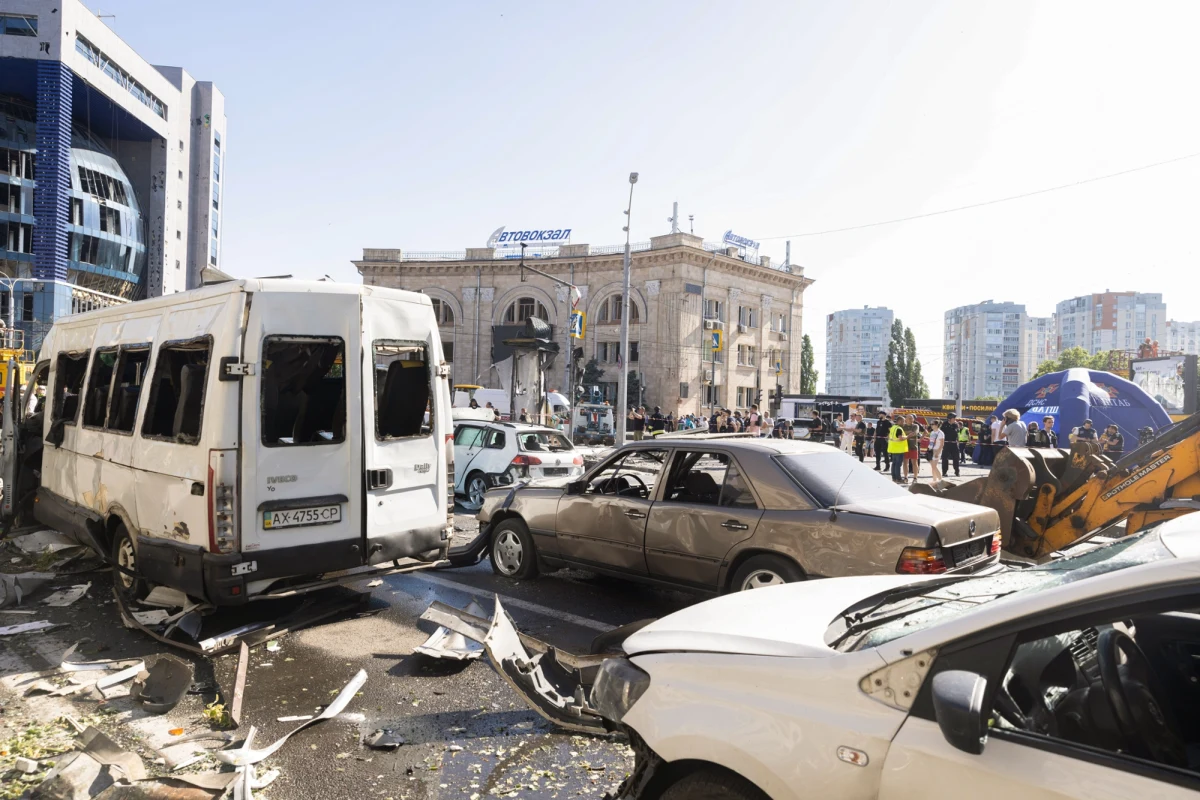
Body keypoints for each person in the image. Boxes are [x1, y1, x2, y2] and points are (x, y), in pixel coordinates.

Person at [887, 417, 908, 483]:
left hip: (893, 448)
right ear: (899, 421)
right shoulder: (899, 428)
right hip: (899, 449)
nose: (904, 423)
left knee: (894, 464)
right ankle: (898, 478)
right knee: (898, 465)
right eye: (903, 421)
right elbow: (900, 438)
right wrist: (908, 436)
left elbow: (889, 437)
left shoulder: (893, 427)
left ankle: (894, 478)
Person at [941, 414, 962, 478]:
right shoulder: (944, 425)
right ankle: (944, 472)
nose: (955, 420)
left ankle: (957, 471)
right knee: (945, 458)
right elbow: (942, 434)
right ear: (949, 418)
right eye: (954, 418)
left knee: (956, 457)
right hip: (946, 443)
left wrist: (958, 441)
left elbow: (957, 433)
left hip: (954, 443)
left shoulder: (955, 425)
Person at [903, 415, 921, 482]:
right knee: (905, 463)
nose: (911, 420)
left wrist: (905, 436)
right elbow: (901, 434)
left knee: (914, 463)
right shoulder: (903, 426)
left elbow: (915, 433)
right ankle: (905, 477)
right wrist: (908, 434)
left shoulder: (915, 426)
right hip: (905, 447)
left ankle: (915, 478)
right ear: (906, 419)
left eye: (912, 418)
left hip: (913, 447)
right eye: (909, 418)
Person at [927, 419, 945, 484]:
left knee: (934, 466)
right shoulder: (932, 432)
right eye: (931, 424)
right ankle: (934, 480)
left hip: (937, 450)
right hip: (931, 450)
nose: (931, 425)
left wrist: (938, 452)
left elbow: (942, 444)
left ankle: (940, 480)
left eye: (932, 424)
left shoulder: (940, 433)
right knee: (933, 467)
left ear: (937, 425)